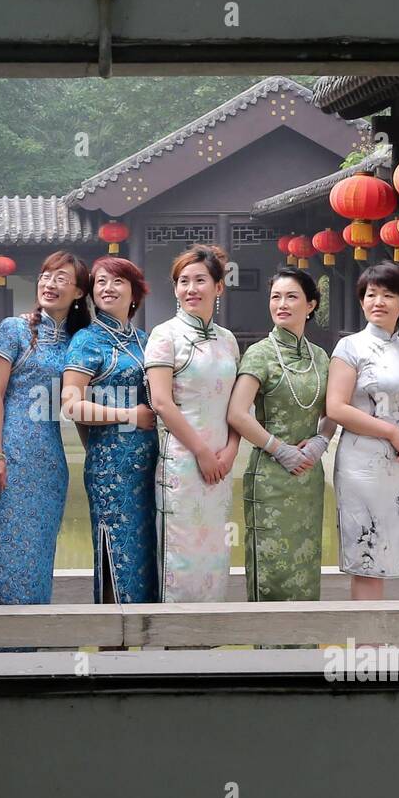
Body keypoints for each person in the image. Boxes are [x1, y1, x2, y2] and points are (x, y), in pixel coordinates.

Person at [0, 252, 91, 604]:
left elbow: (78, 409)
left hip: (49, 463)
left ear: (80, 292)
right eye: (46, 275)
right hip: (7, 455)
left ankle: (31, 651)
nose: (49, 284)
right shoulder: (15, 329)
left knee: (38, 557)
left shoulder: (77, 342)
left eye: (61, 278)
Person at [228, 266, 335, 601]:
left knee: (305, 568)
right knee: (272, 571)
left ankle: (304, 652)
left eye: (292, 297)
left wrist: (321, 441)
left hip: (308, 477)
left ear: (311, 305)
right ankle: (269, 652)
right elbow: (236, 413)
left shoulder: (320, 357)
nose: (282, 304)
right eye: (276, 297)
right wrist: (280, 449)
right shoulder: (260, 353)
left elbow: (334, 410)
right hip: (271, 476)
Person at [145, 244, 241, 602]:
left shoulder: (228, 341)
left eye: (200, 280)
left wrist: (231, 450)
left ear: (219, 287)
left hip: (221, 464)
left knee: (214, 554)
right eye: (183, 281)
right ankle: (176, 646)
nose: (191, 289)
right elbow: (161, 402)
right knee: (181, 556)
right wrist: (202, 452)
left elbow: (236, 405)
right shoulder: (164, 335)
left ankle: (208, 645)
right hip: (184, 466)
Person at [61, 257, 158, 604]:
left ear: (134, 292)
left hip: (151, 466)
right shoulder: (87, 341)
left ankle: (144, 648)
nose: (107, 288)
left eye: (117, 281)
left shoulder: (147, 340)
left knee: (149, 555)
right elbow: (71, 405)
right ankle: (111, 648)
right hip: (110, 469)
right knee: (116, 553)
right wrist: (129, 415)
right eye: (100, 282)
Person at [327, 262, 399, 599]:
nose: (378, 302)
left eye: (388, 295)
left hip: (398, 466)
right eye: (371, 295)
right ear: (362, 301)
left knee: (386, 556)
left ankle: (371, 642)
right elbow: (337, 408)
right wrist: (393, 434)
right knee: (366, 557)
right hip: (362, 463)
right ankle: (366, 646)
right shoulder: (350, 348)